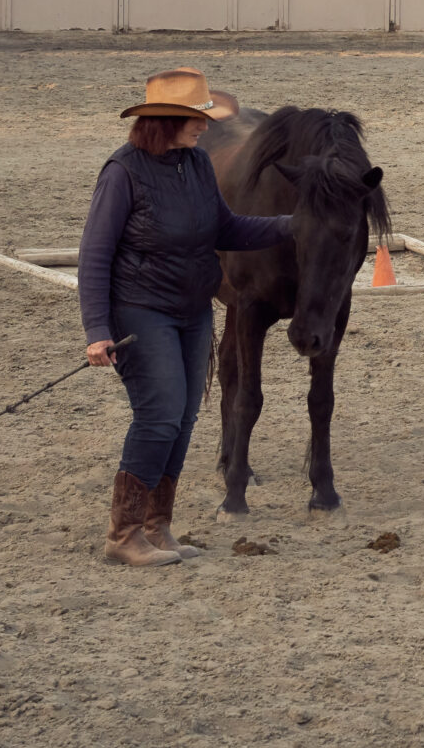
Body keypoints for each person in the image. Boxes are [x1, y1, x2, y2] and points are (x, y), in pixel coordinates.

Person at [79, 69, 290, 567]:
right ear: (169, 120)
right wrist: (96, 331)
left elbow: (228, 227)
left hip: (193, 311)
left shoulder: (194, 164)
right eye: (196, 119)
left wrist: (294, 225)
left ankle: (158, 527)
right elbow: (95, 254)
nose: (204, 127)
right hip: (139, 311)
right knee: (159, 416)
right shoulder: (123, 172)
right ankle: (124, 533)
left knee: (184, 418)